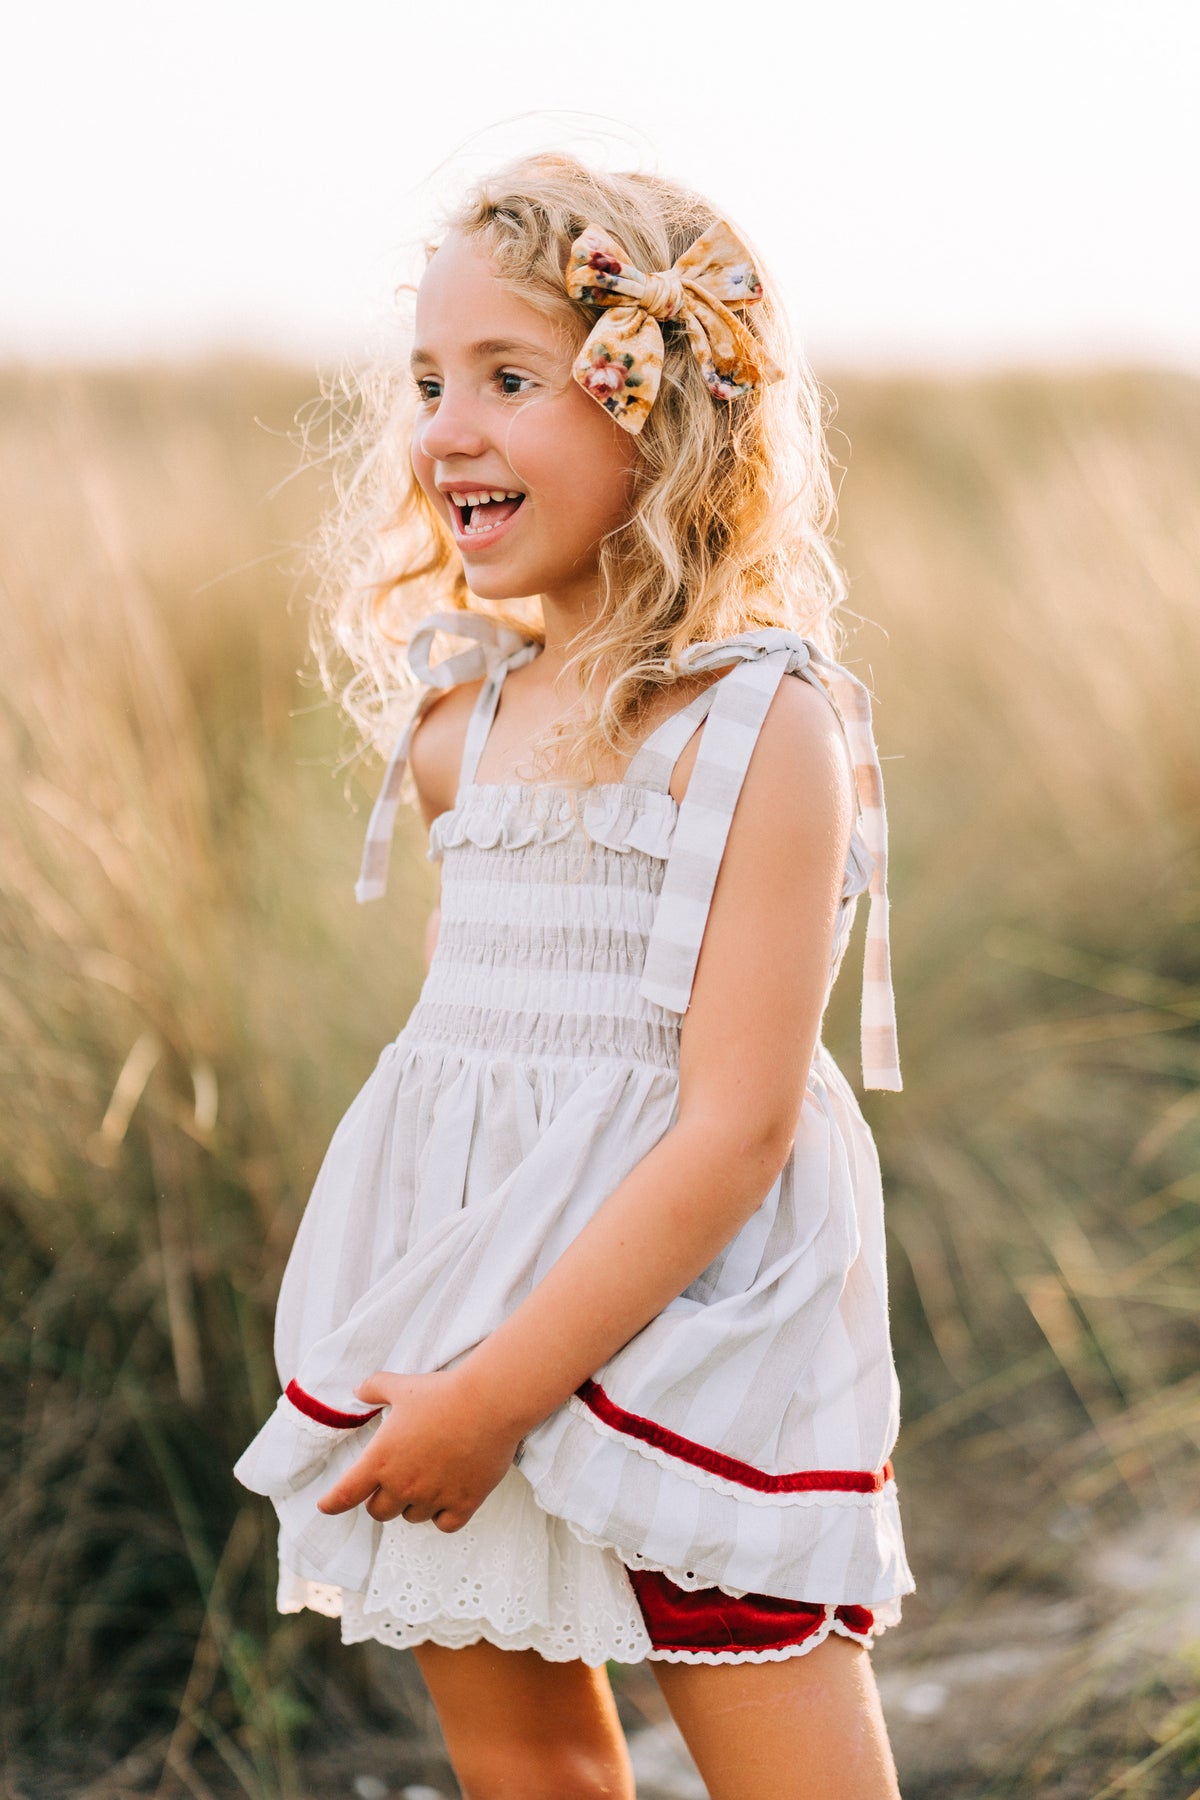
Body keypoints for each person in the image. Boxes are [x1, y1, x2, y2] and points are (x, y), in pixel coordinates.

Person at [235, 151, 914, 1799]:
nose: (444, 429)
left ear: (658, 409)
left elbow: (735, 1127)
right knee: (534, 1767)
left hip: (691, 1326)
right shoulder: (457, 726)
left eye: (509, 379)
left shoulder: (761, 726)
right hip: (456, 1285)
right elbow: (471, 1053)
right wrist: (459, 1377)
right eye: (426, 383)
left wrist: (500, 1397)